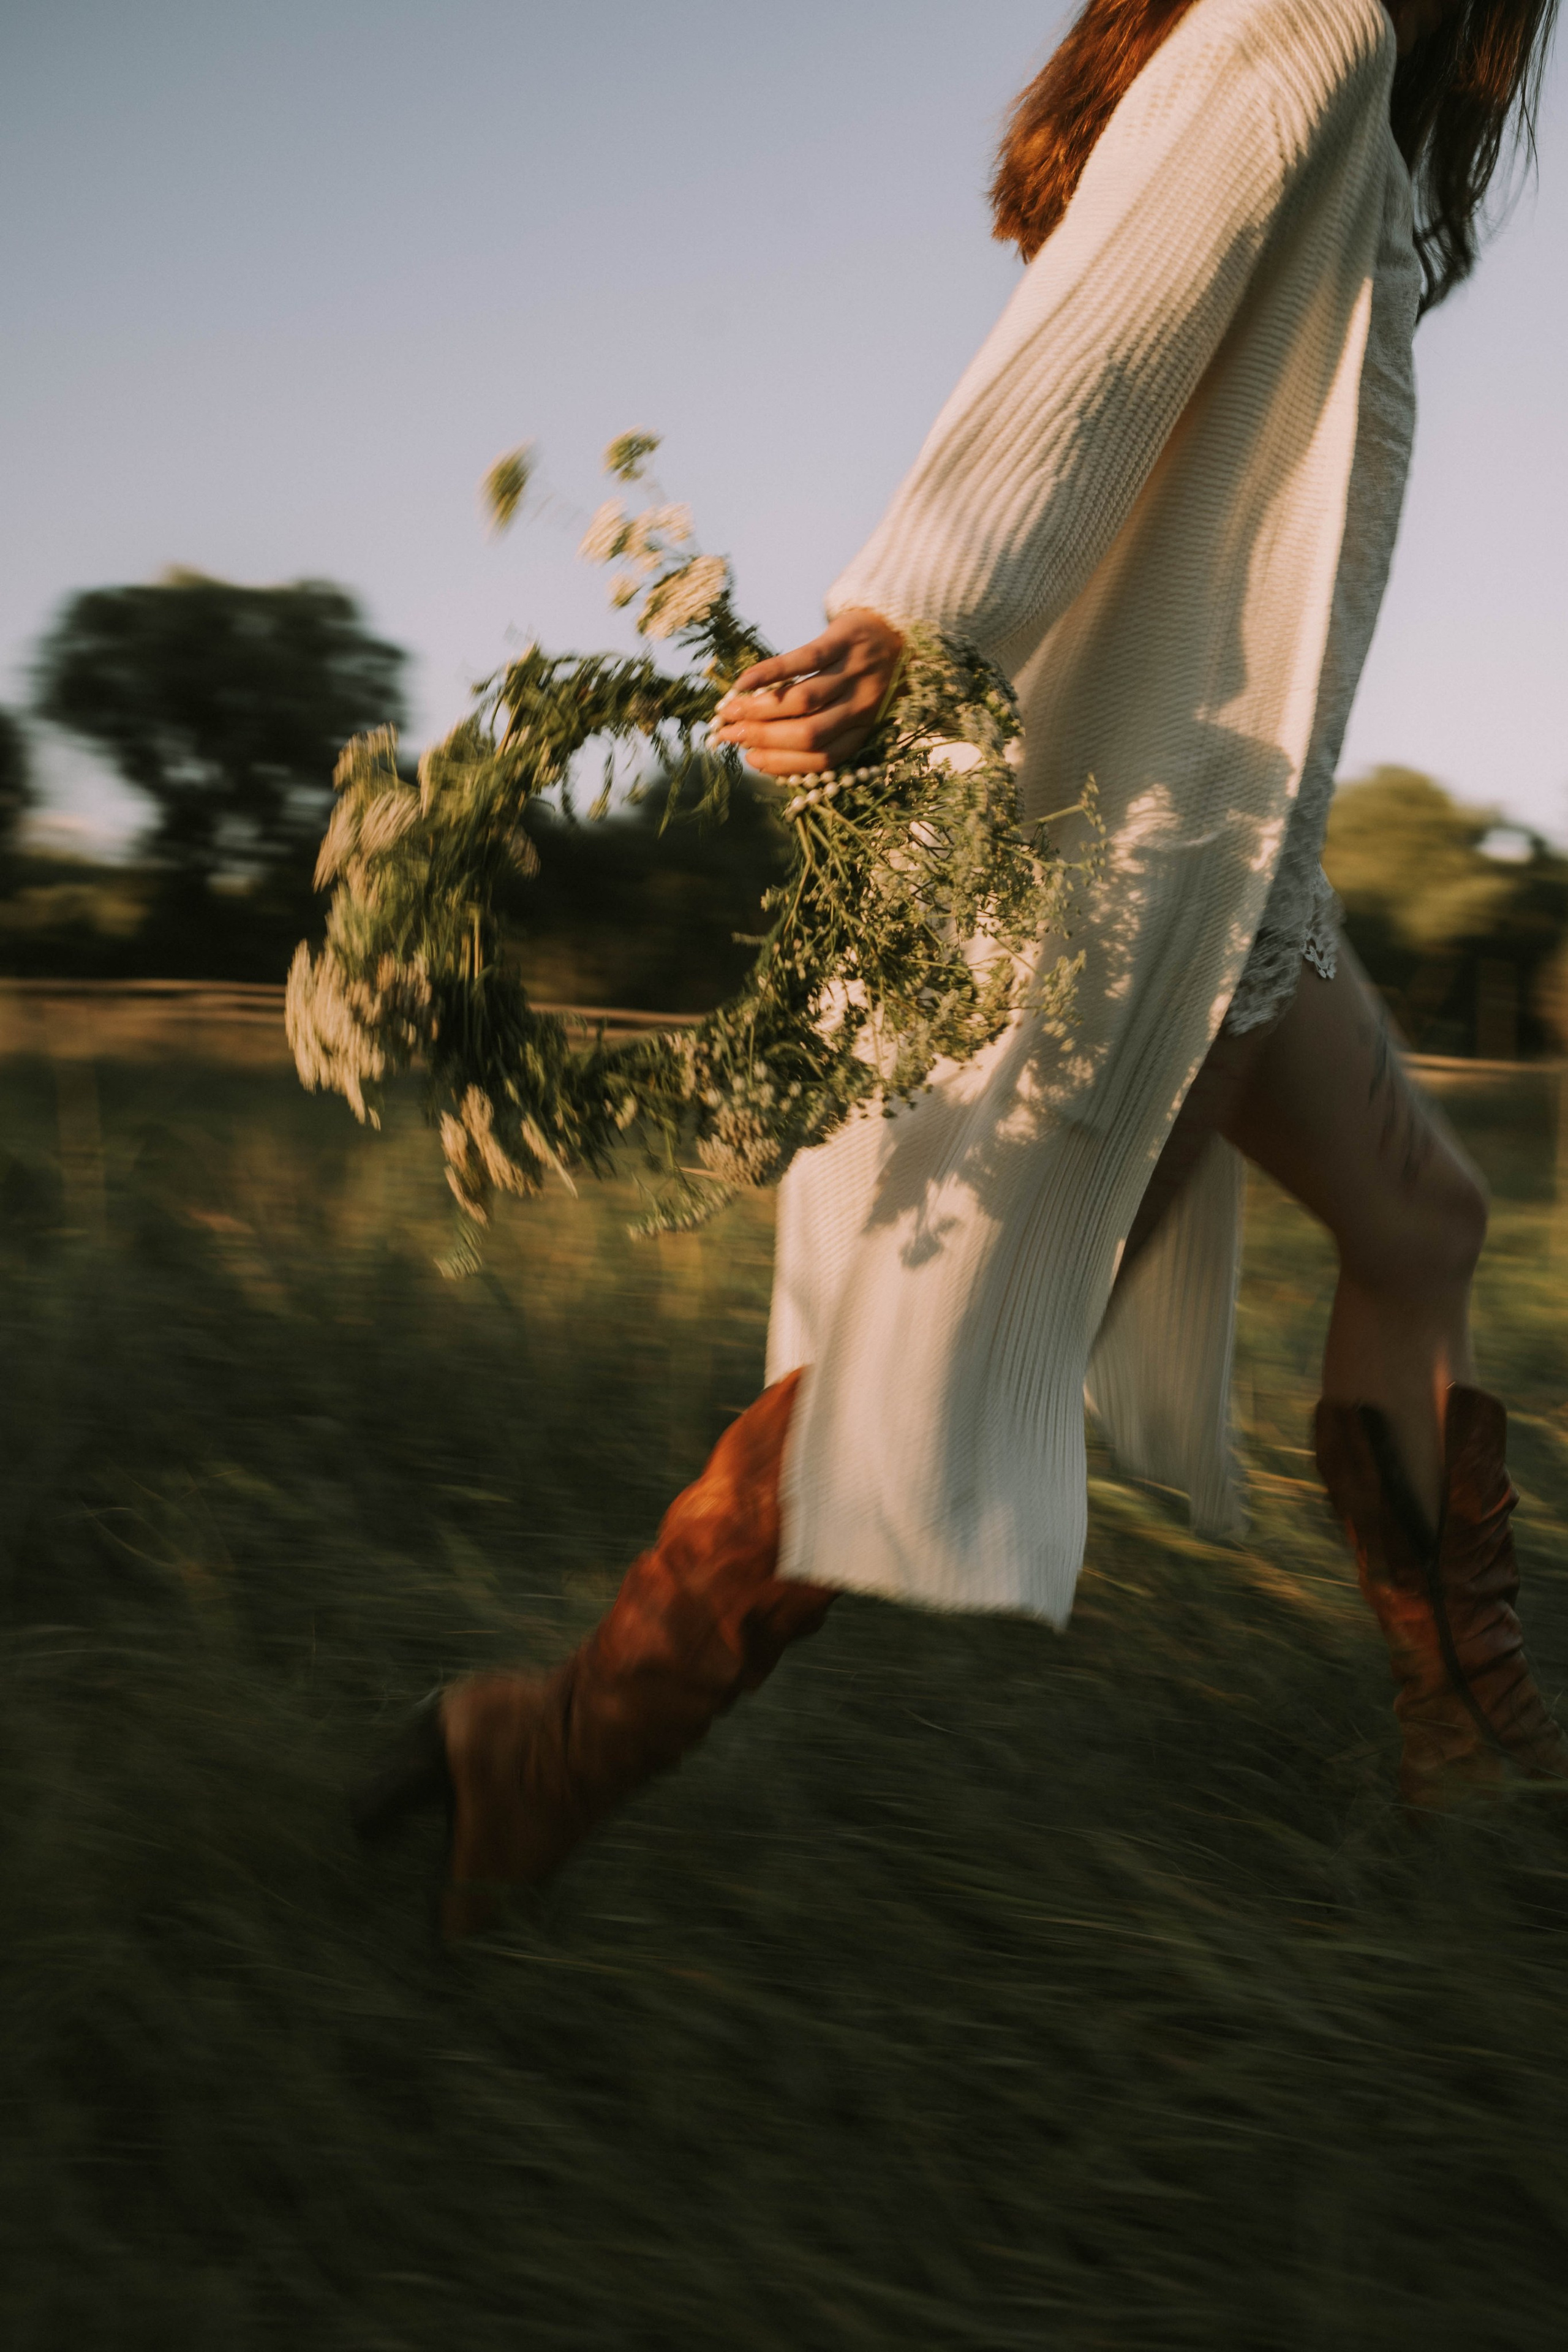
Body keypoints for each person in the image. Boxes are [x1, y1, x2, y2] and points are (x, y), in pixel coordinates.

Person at [357, 0, 1566, 1929]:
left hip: (1238, 840)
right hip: (1149, 846)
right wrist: (920, 616)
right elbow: (1094, 336)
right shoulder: (1311, 22)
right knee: (936, 1369)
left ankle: (1466, 1740)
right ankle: (553, 1750)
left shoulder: (1360, 75)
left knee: (1422, 1225)